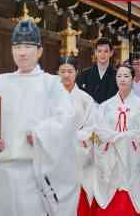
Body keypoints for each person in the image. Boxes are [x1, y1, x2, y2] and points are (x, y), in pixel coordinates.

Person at [0, 19, 80, 216]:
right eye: (17, 46)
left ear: (39, 51)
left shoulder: (50, 84)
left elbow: (67, 120)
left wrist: (40, 134)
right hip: (3, 173)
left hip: (35, 173)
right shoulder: (2, 83)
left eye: (28, 46)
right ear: (11, 51)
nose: (22, 52)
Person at [90, 65, 140, 216]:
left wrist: (124, 139)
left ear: (133, 79)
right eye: (119, 76)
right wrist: (116, 139)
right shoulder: (105, 106)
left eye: (126, 76)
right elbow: (99, 131)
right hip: (111, 157)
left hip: (132, 157)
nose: (122, 79)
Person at [57, 56, 95, 216]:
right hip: (56, 152)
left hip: (78, 151)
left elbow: (91, 127)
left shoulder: (86, 99)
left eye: (70, 71)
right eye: (63, 71)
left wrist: (75, 139)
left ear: (76, 73)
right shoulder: (51, 97)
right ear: (57, 73)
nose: (66, 75)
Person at [76, 38, 117, 104]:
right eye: (99, 51)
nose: (102, 54)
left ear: (111, 53)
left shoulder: (118, 75)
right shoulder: (84, 74)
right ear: (95, 52)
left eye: (106, 51)